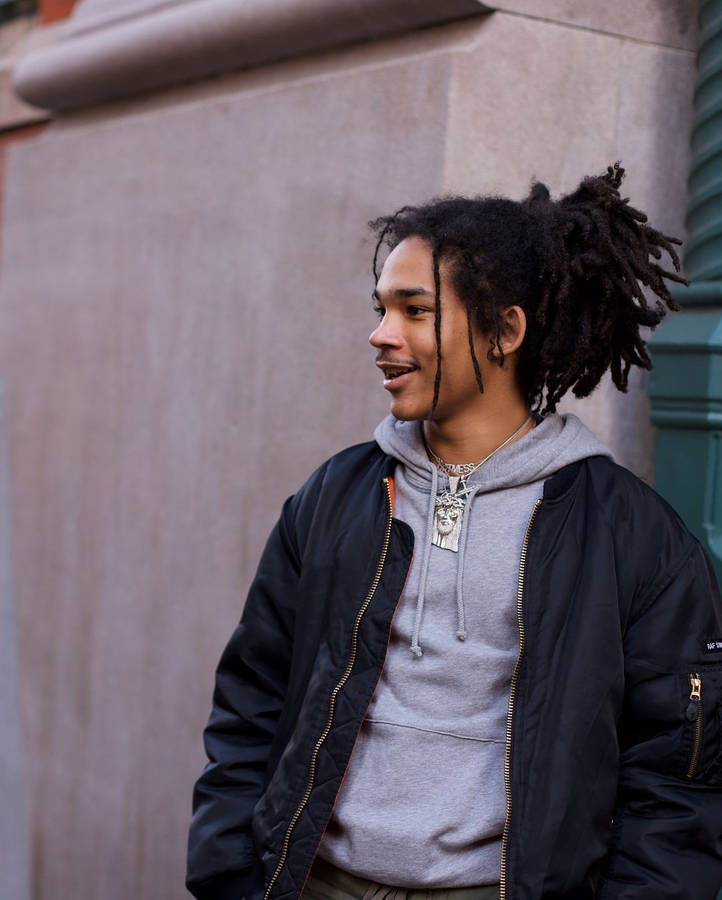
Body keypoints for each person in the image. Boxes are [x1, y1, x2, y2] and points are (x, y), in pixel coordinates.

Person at [185, 162, 722, 900]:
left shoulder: (629, 534)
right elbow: (251, 703)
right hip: (313, 882)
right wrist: (231, 876)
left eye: (414, 310)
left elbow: (676, 778)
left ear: (504, 330)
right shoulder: (334, 498)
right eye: (380, 309)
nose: (381, 335)